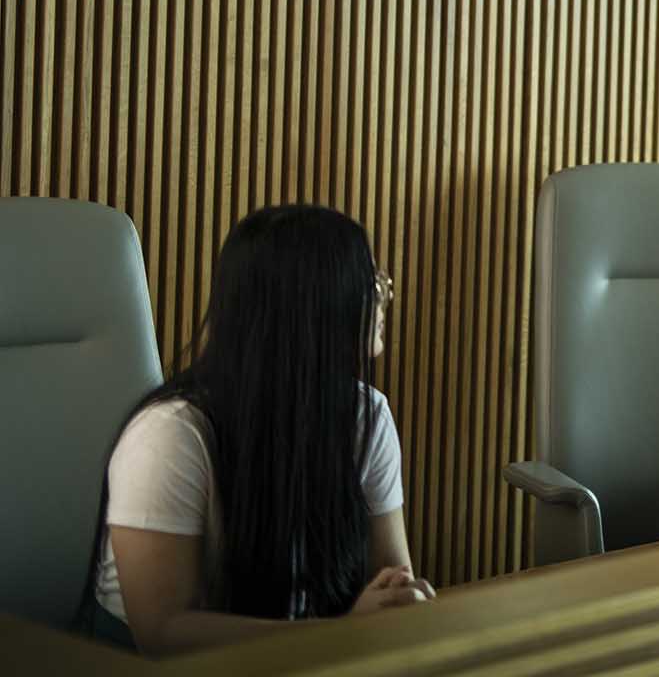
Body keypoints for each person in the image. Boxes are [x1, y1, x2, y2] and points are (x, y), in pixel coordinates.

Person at [79, 205, 434, 655]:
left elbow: (390, 580)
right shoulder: (171, 436)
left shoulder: (366, 417)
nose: (384, 294)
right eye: (368, 280)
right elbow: (164, 633)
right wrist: (342, 634)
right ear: (313, 303)